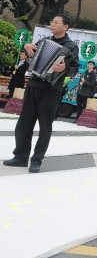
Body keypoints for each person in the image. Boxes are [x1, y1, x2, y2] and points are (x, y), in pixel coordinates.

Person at [3, 14, 79, 173]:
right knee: (24, 124)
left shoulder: (71, 47)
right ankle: (20, 157)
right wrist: (26, 46)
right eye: (52, 21)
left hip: (51, 89)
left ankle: (37, 160)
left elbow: (75, 69)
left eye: (56, 22)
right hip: (33, 85)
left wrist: (64, 69)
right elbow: (30, 55)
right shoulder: (44, 41)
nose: (52, 24)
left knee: (45, 126)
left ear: (65, 27)